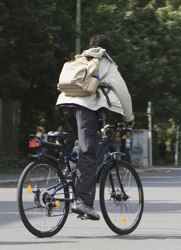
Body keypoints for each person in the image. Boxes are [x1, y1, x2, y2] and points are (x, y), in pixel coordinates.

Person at [56, 34, 134, 220]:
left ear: (90, 46)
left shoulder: (80, 59)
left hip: (64, 104)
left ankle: (72, 175)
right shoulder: (105, 63)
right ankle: (83, 201)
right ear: (107, 50)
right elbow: (123, 93)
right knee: (89, 151)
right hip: (85, 107)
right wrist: (128, 118)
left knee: (81, 146)